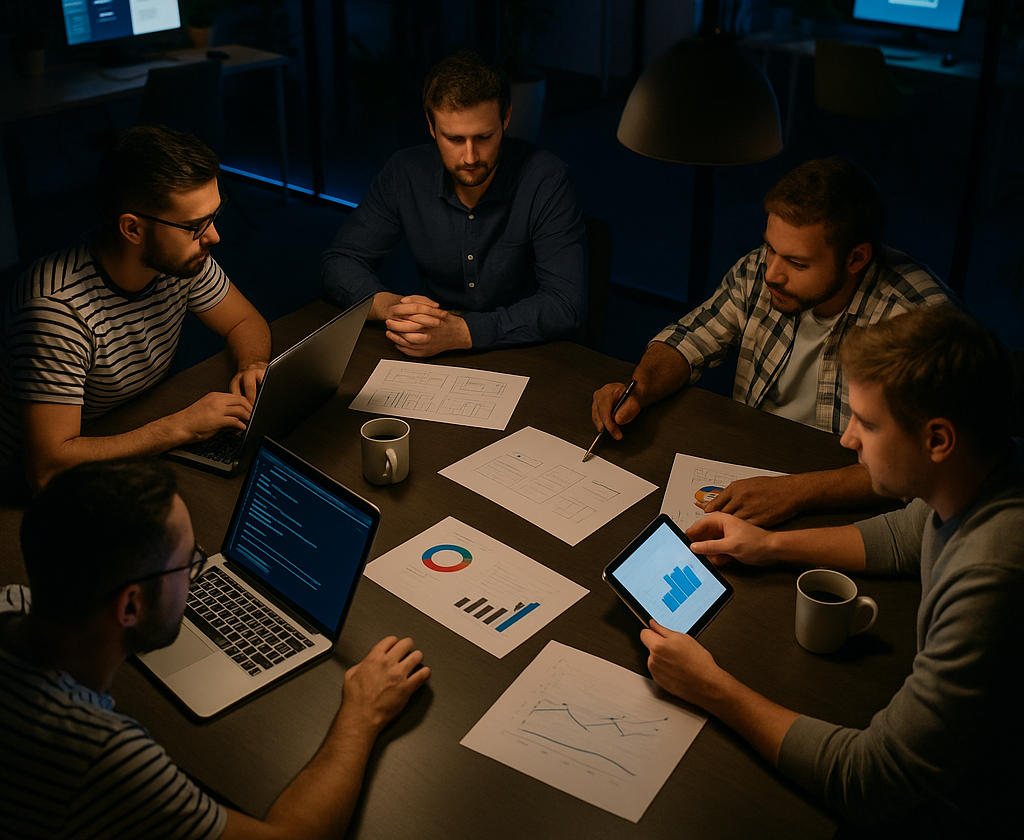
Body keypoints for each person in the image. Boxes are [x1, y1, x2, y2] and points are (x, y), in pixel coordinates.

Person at [640, 308, 1022, 835]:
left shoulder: (993, 573)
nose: (847, 439)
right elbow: (904, 536)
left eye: (866, 422)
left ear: (938, 441)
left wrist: (711, 688)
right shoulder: (984, 472)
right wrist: (769, 545)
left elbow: (874, 778)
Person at [0, 458, 430, 840]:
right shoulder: (101, 757)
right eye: (189, 562)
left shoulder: (11, 602)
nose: (198, 573)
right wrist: (361, 715)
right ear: (130, 605)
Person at [592, 157, 952, 525]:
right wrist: (639, 388)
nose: (772, 273)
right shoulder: (760, 270)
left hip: (853, 503)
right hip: (756, 462)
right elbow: (688, 339)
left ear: (856, 258)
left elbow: (914, 467)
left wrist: (796, 491)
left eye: (797, 263)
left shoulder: (918, 323)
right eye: (769, 248)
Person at [0, 125, 271, 492]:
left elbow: (244, 321)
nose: (213, 236)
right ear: (132, 229)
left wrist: (252, 365)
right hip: (26, 485)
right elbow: (47, 468)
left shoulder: (180, 259)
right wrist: (179, 427)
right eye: (194, 226)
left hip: (124, 425)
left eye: (213, 217)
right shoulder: (56, 311)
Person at [320, 51, 587, 358]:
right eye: (455, 139)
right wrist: (391, 306)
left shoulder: (546, 180)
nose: (471, 157)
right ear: (432, 127)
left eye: (484, 137)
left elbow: (566, 304)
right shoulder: (405, 173)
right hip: (436, 346)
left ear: (506, 119)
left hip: (525, 349)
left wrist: (464, 332)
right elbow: (339, 261)